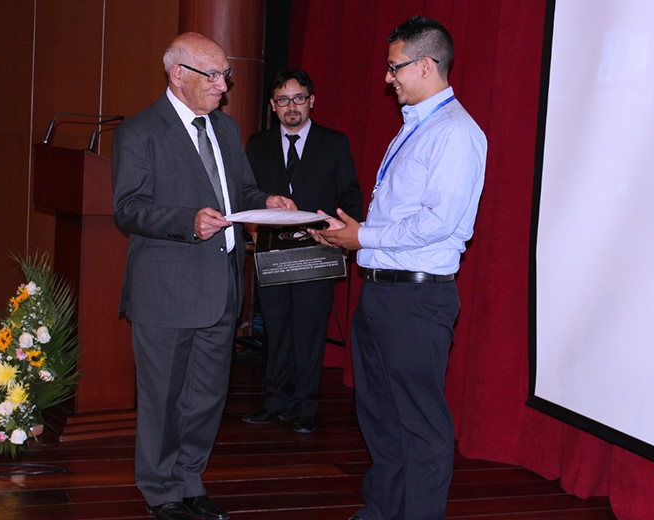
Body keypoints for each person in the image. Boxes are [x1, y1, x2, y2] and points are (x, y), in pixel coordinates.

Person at [111, 32, 295, 520]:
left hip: (222, 289)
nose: (223, 85)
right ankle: (161, 491)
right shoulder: (140, 131)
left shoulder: (227, 130)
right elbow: (128, 209)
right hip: (166, 291)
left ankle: (190, 480)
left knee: (207, 398)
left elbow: (244, 193)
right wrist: (187, 220)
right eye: (213, 75)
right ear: (178, 75)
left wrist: (266, 202)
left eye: (225, 74)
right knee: (164, 399)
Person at [310, 16, 487, 520]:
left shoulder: (454, 134)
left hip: (417, 300)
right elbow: (402, 219)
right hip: (384, 295)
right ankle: (381, 512)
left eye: (395, 68)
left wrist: (360, 236)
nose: (388, 79)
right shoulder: (417, 127)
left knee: (421, 428)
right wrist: (349, 230)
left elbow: (437, 223)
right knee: (381, 420)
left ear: (426, 65)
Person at [242, 69, 363, 434]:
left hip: (319, 253)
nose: (291, 106)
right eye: (282, 100)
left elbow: (351, 195)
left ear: (312, 100)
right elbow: (246, 191)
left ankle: (305, 406)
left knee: (309, 331)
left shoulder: (335, 143)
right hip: (272, 254)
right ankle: (275, 401)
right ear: (272, 106)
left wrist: (345, 232)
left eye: (298, 98)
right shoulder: (256, 144)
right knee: (276, 329)